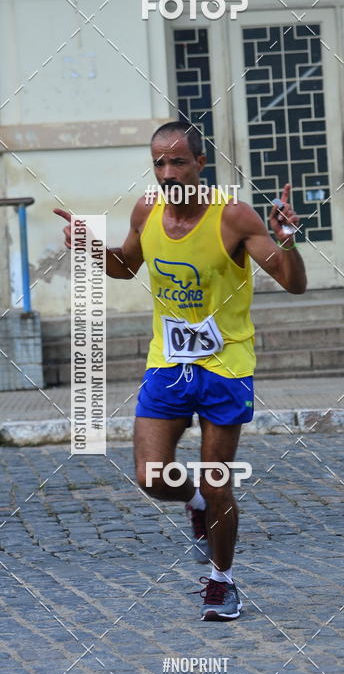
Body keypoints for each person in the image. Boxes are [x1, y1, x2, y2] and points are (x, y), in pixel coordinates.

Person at [55, 121, 306, 618]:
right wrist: (90, 248)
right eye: (159, 163)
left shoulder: (233, 217)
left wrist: (289, 240)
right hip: (167, 363)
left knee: (219, 483)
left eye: (178, 162)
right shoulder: (147, 210)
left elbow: (293, 283)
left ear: (201, 165)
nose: (168, 173)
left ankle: (222, 580)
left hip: (224, 365)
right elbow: (127, 266)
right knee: (151, 477)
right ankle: (192, 503)